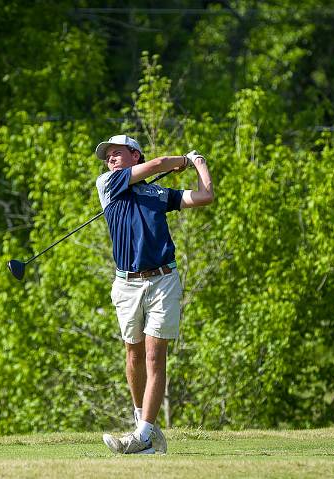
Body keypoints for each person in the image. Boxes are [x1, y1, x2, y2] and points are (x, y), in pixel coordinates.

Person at [95, 134, 214, 455]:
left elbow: (204, 197)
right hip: (127, 283)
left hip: (164, 279)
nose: (111, 160)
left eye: (117, 154)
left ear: (135, 155)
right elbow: (161, 164)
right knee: (132, 353)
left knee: (153, 355)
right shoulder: (108, 183)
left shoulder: (159, 193)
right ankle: (143, 426)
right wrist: (184, 160)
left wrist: (200, 165)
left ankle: (144, 432)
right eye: (108, 156)